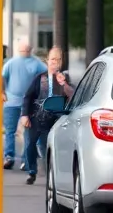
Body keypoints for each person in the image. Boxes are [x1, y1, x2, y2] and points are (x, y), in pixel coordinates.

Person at [21, 47, 76, 184]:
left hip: (54, 119)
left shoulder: (65, 78)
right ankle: (32, 171)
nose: (55, 62)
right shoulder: (39, 78)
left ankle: (51, 174)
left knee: (47, 147)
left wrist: (63, 84)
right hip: (36, 117)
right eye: (52, 59)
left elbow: (72, 96)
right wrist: (25, 115)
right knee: (30, 145)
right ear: (47, 61)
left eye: (58, 59)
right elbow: (28, 97)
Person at [1, 38, 46, 169]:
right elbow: (2, 77)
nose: (25, 51)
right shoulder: (15, 63)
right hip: (15, 102)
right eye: (23, 49)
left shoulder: (34, 63)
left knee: (20, 132)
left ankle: (19, 158)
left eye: (26, 49)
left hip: (23, 102)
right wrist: (2, 92)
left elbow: (46, 74)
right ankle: (15, 158)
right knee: (17, 131)